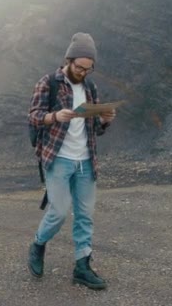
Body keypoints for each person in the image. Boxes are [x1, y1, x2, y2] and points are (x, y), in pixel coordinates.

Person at [27, 32, 116, 290]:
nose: (83, 73)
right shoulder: (48, 82)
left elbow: (95, 128)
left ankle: (82, 266)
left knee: (85, 215)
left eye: (88, 69)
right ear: (69, 59)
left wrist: (106, 120)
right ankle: (38, 245)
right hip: (58, 158)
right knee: (58, 211)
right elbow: (33, 116)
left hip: (86, 160)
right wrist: (54, 117)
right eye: (79, 67)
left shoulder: (90, 87)